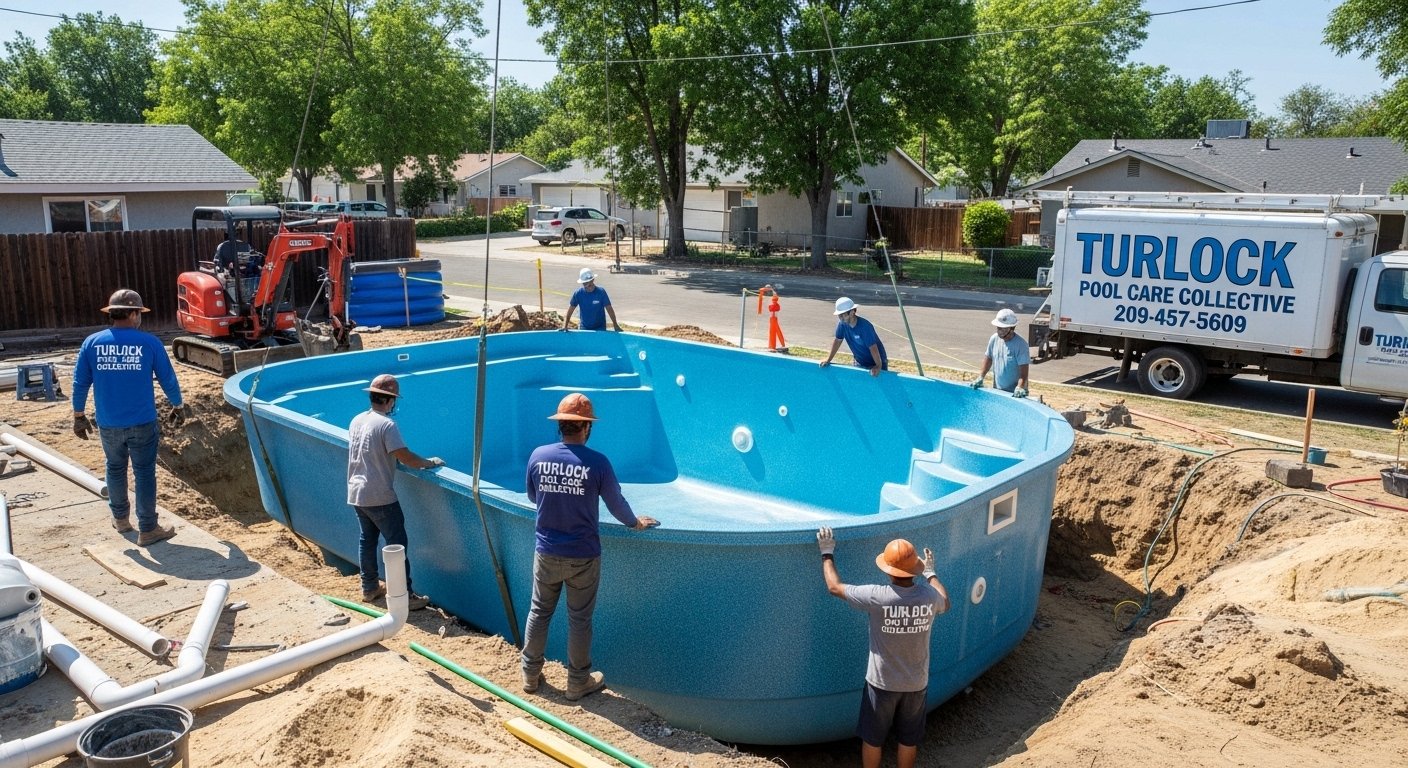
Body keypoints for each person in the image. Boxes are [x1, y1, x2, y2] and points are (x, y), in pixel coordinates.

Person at [521, 392, 658, 701]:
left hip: (546, 550)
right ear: (586, 428)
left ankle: (530, 676)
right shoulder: (597, 463)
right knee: (579, 619)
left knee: (539, 612)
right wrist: (635, 523)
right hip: (582, 554)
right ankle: (577, 682)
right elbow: (617, 505)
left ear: (561, 426)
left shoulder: (538, 455)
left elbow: (533, 496)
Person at [817, 527, 950, 768]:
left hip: (881, 685)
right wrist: (931, 573)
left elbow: (834, 587)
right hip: (915, 684)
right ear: (914, 570)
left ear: (888, 570)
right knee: (909, 740)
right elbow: (945, 601)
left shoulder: (878, 596)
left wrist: (827, 553)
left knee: (873, 739)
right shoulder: (929, 597)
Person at [71, 289, 188, 547]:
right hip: (142, 422)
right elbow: (168, 378)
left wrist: (79, 414)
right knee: (144, 472)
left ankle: (121, 520)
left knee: (114, 467)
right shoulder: (150, 343)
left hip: (109, 422)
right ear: (134, 313)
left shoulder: (92, 343)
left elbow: (80, 382)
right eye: (140, 314)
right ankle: (148, 529)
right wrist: (178, 405)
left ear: (112, 313)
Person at [346, 373, 443, 610]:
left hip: (357, 492)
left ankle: (369, 588)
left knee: (367, 540)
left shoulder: (357, 419)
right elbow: (406, 457)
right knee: (397, 544)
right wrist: (431, 463)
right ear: (390, 401)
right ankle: (404, 595)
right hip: (380, 495)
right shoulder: (387, 425)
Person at [970, 308, 1031, 397]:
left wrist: (1020, 387)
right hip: (998, 390)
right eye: (998, 328)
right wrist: (981, 376)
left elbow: (1024, 372)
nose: (1000, 332)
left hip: (1016, 393)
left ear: (1012, 329)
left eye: (1003, 329)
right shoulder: (994, 339)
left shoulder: (1021, 345)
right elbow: (988, 358)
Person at [820, 297, 887, 377]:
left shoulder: (865, 327)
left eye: (843, 315)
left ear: (852, 312)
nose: (841, 318)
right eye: (839, 316)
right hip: (860, 361)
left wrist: (878, 366)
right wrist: (828, 359)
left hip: (877, 361)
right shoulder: (842, 324)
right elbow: (838, 341)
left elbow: (873, 348)